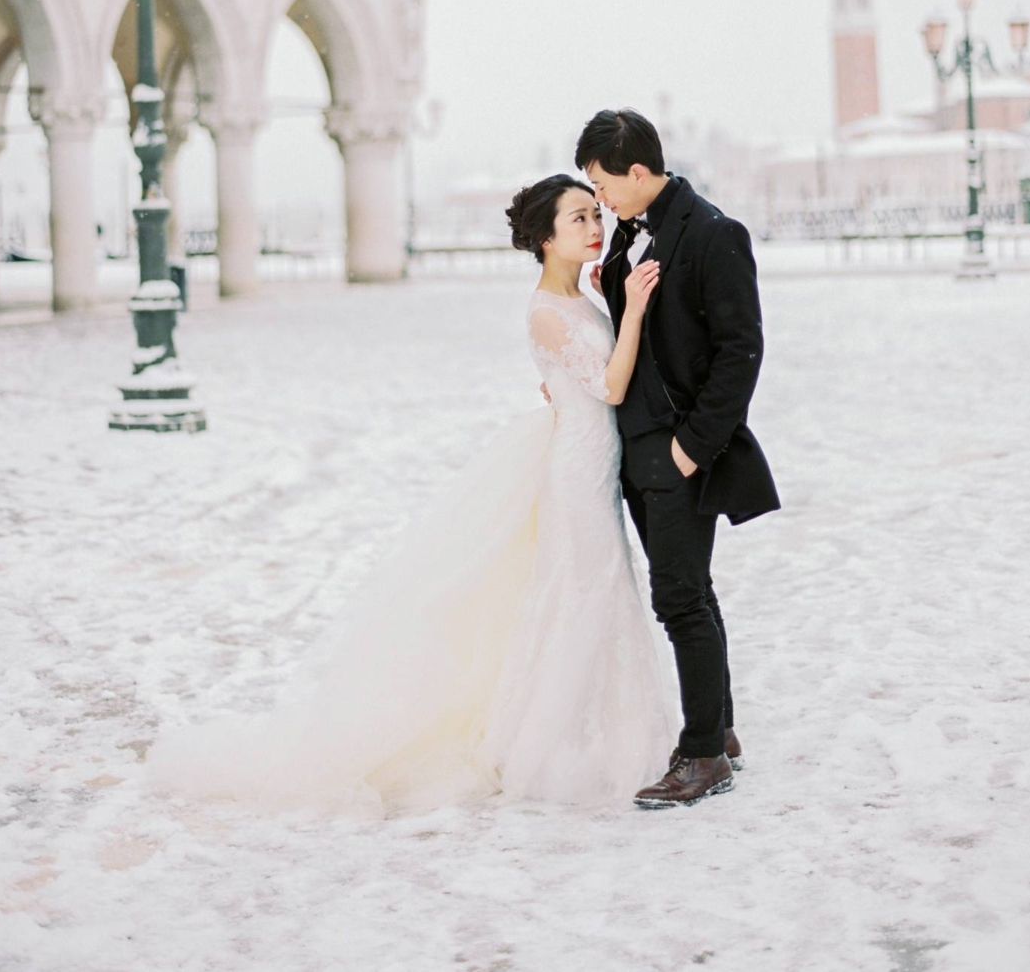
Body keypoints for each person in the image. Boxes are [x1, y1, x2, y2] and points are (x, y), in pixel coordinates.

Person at [144, 174, 677, 815]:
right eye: (579, 219)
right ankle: (556, 746)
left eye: (595, 215)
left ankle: (598, 736)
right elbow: (611, 388)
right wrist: (637, 310)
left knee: (596, 592)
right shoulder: (545, 311)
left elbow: (585, 382)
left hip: (593, 459)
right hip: (577, 470)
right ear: (544, 239)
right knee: (586, 593)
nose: (595, 228)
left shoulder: (582, 295)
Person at [576, 107, 780, 809]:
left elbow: (740, 352)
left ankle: (700, 754)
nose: (599, 199)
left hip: (680, 453)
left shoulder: (713, 234)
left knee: (680, 600)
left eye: (603, 183)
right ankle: (719, 732)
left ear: (638, 171)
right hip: (634, 453)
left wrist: (690, 449)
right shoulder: (629, 235)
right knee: (693, 590)